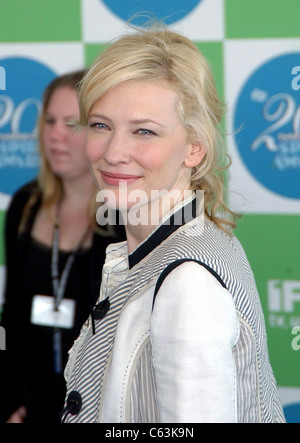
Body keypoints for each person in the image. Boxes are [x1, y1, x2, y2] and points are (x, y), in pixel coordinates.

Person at [62, 28, 286, 423]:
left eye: (143, 131)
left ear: (195, 147)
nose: (113, 152)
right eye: (100, 125)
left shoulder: (187, 283)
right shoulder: (182, 241)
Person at [0, 70, 125, 423]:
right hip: (31, 407)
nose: (55, 135)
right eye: (50, 120)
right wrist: (9, 401)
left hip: (102, 410)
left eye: (72, 123)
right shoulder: (26, 204)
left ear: (102, 133)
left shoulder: (126, 217)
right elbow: (12, 315)